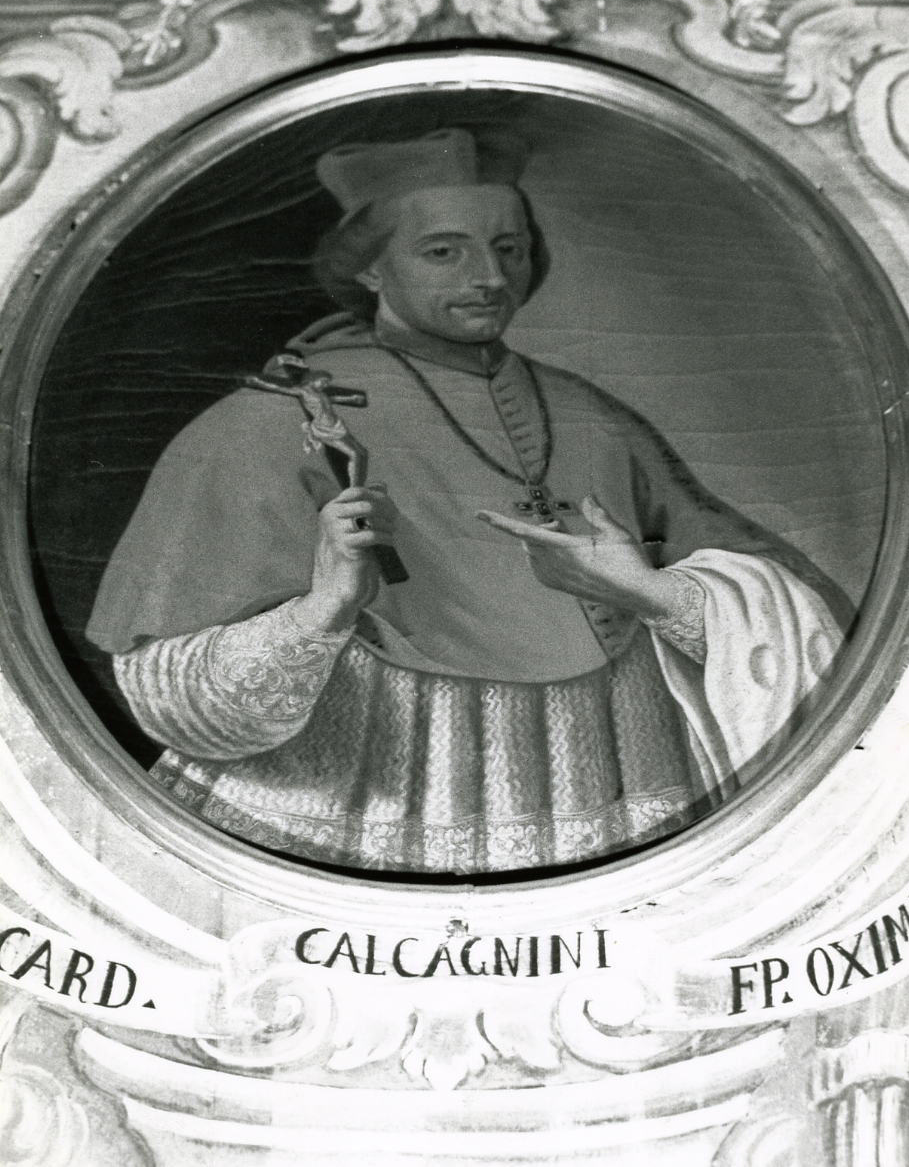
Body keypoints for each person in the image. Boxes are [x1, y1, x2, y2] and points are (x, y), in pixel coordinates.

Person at [86, 128, 851, 875]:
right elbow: (166, 691)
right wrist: (322, 609)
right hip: (366, 795)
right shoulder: (268, 423)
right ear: (370, 268)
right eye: (444, 251)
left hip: (617, 774)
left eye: (508, 248)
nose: (489, 277)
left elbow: (782, 608)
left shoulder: (588, 416)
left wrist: (649, 591)